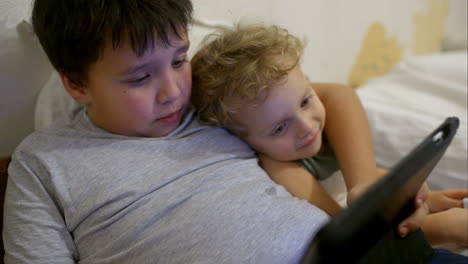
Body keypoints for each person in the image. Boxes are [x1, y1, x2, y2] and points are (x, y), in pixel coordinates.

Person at [2, 1, 465, 264]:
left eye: (180, 59)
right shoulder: (44, 161)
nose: (171, 91)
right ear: (76, 83)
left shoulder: (209, 103)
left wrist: (364, 184)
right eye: (139, 79)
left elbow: (333, 99)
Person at [190, 25, 468, 247]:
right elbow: (351, 236)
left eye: (305, 101)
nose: (307, 126)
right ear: (244, 141)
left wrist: (411, 198)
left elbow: (340, 95)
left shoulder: (310, 115)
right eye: (279, 128)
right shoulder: (281, 168)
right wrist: (443, 227)